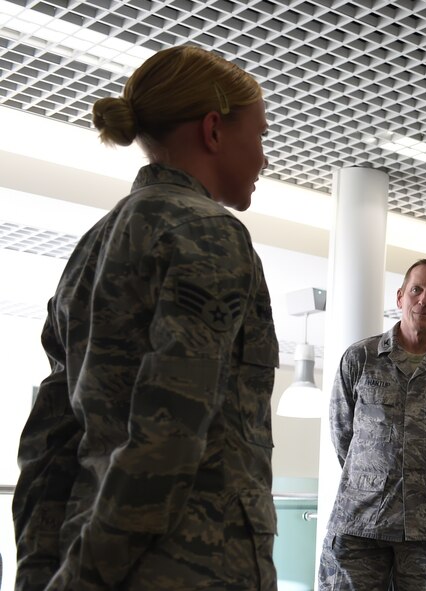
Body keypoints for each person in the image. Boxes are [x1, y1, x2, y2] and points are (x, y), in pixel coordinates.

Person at [13, 45, 279, 591]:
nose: (264, 157)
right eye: (260, 136)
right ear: (213, 130)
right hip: (193, 564)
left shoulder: (95, 244)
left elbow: (51, 436)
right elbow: (169, 438)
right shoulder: (208, 232)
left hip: (89, 545)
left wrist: (44, 572)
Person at [319, 259, 426, 591]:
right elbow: (342, 432)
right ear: (400, 297)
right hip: (362, 520)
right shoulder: (361, 358)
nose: (424, 300)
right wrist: (376, 474)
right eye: (416, 289)